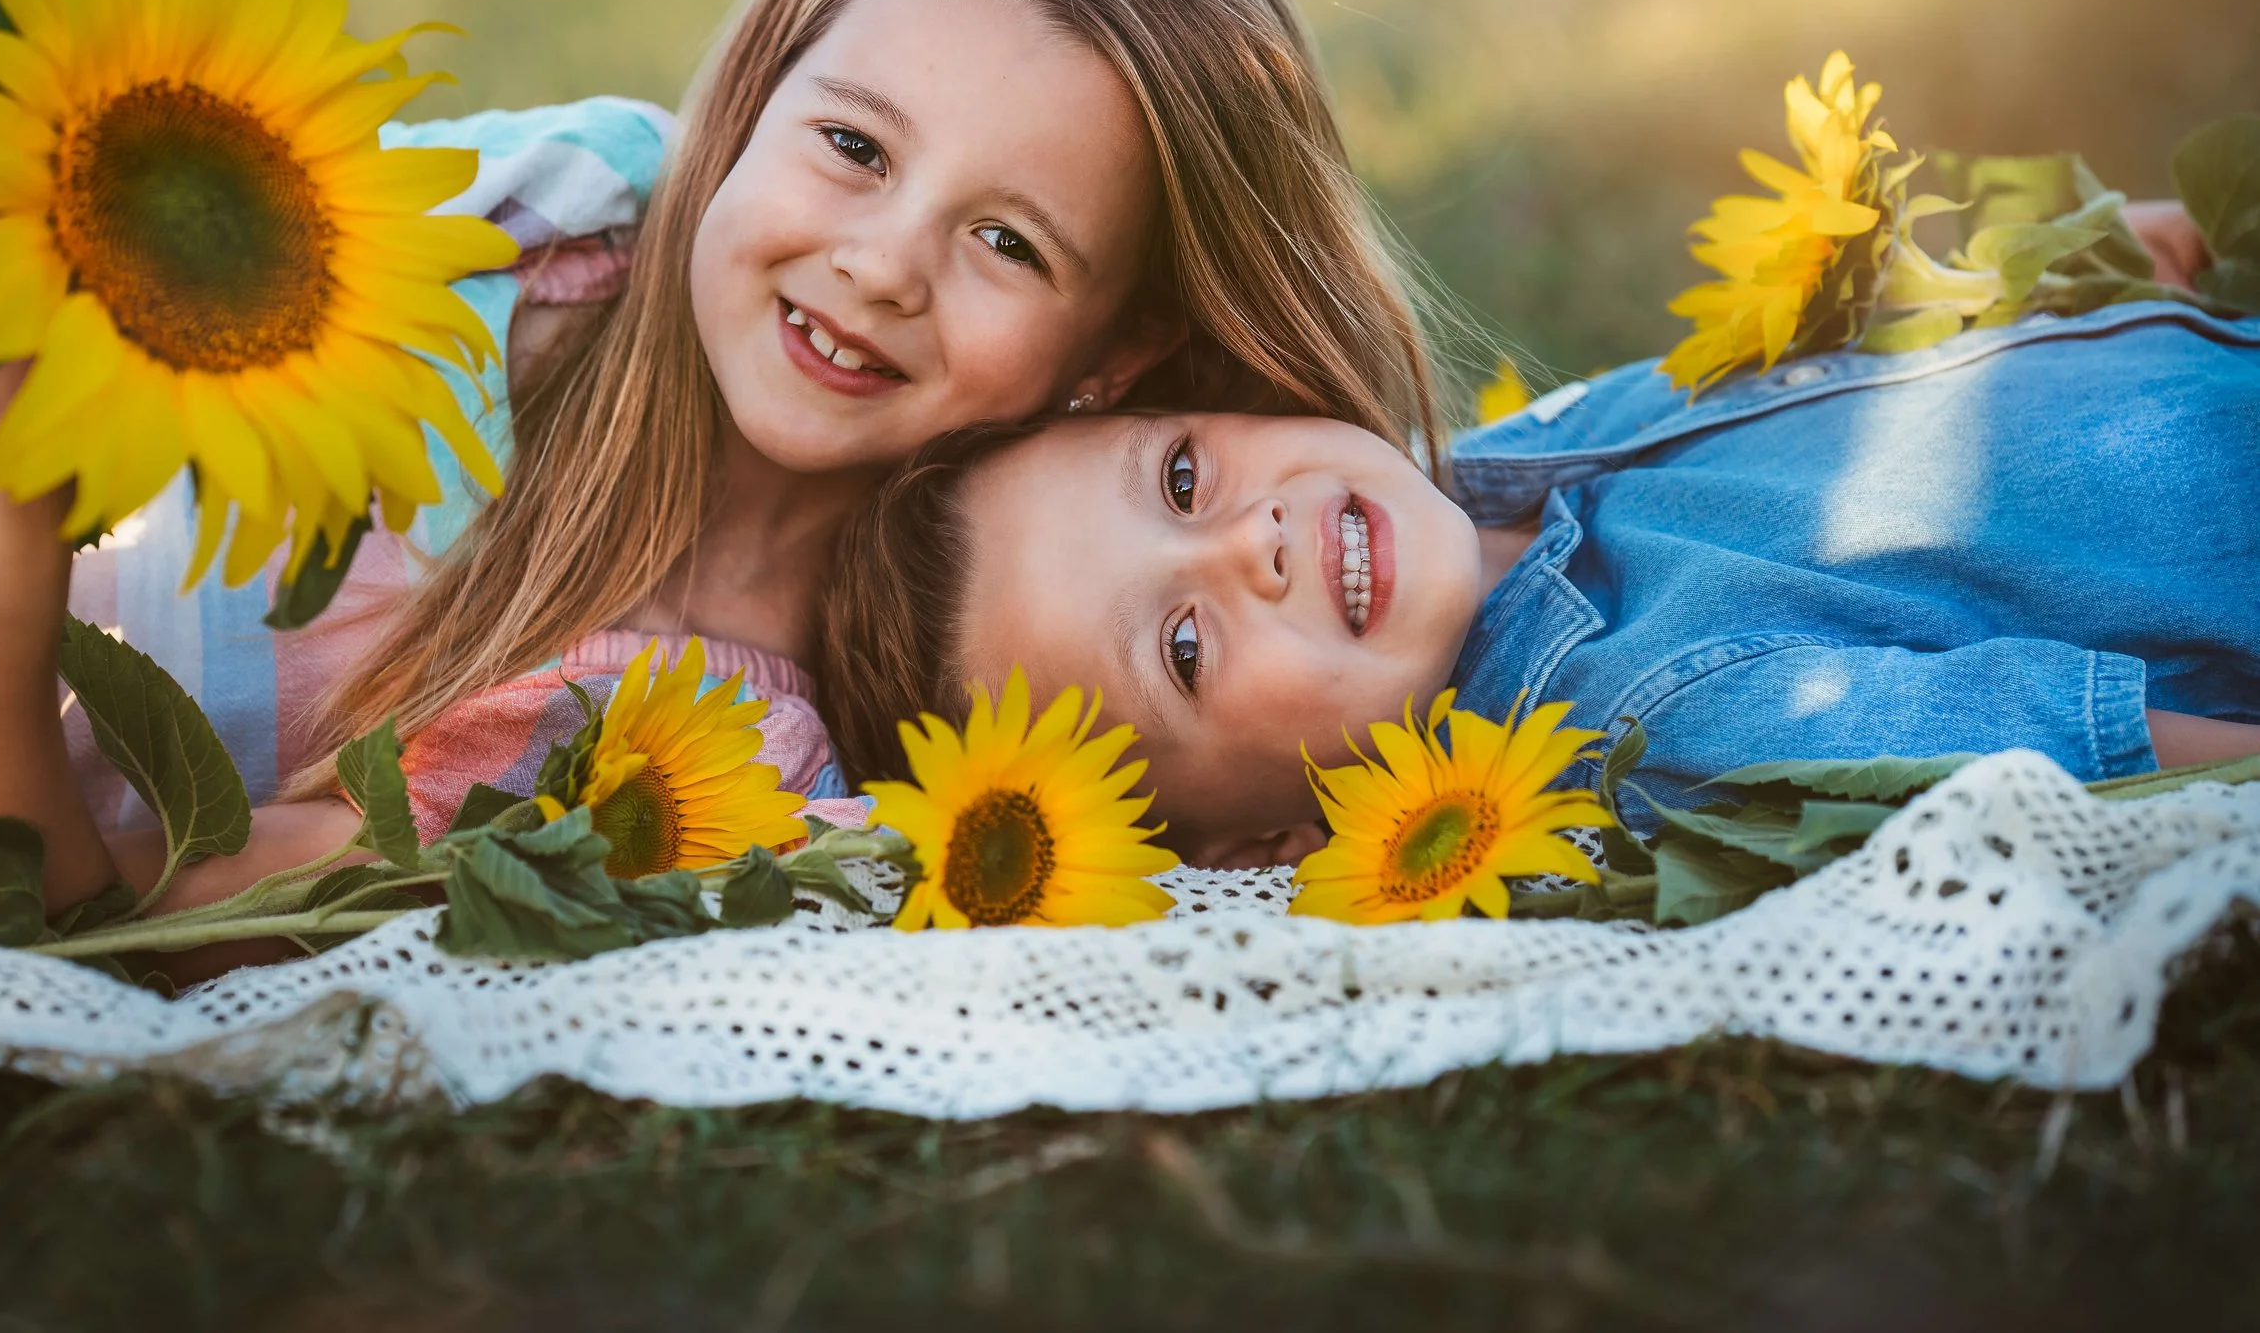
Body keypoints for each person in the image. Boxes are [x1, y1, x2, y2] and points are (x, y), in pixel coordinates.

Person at [0, 0, 1442, 949]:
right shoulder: (561, 214)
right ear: (754, 94)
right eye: (854, 145)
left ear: (1116, 356)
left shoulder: (699, 758)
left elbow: (33, 925)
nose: (882, 262)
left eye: (1008, 242)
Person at [817, 287, 2260, 871]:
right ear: (1249, 847)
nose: (1246, 541)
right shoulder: (1653, 714)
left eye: (1183, 478)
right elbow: (2136, 769)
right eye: (1184, 647)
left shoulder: (1508, 460)